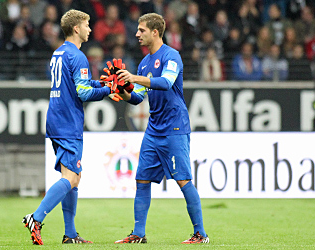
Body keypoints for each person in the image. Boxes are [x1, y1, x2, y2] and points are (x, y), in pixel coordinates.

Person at [113, 12, 209, 244]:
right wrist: (122, 91)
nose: (137, 34)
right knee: (142, 179)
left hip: (174, 128)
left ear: (155, 32)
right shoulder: (145, 62)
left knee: (183, 180)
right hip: (154, 129)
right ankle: (138, 234)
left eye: (142, 30)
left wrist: (134, 78)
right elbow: (137, 98)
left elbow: (166, 83)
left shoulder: (171, 56)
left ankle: (201, 234)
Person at [22, 9, 113, 245]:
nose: (90, 29)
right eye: (87, 25)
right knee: (71, 177)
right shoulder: (78, 56)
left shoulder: (59, 53)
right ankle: (36, 217)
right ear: (76, 28)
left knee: (74, 176)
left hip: (56, 119)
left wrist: (102, 82)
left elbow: (76, 84)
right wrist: (108, 90)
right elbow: (82, 92)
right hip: (68, 122)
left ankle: (70, 234)